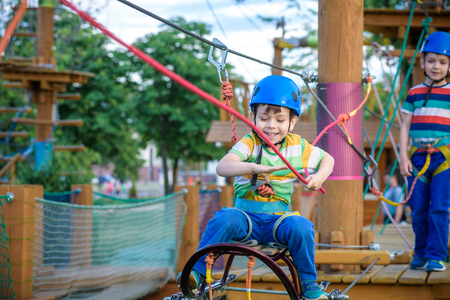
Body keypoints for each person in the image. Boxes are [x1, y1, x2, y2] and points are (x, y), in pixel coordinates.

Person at [177, 75, 334, 300]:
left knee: (302, 226)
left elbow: (328, 159)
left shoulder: (298, 147)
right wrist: (252, 166)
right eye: (264, 118)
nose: (271, 126)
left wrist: (320, 176)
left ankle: (310, 285)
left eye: (280, 120)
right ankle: (196, 274)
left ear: (292, 122)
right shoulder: (249, 143)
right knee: (225, 217)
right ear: (253, 116)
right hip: (246, 220)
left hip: (278, 221)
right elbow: (223, 167)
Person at [399, 31, 450, 272]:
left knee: (439, 207)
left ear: (449, 65)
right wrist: (402, 156)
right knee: (418, 207)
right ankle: (420, 253)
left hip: (444, 156)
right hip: (418, 156)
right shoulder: (414, 93)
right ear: (422, 62)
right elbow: (405, 125)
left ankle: (436, 256)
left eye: (442, 62)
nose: (436, 66)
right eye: (431, 61)